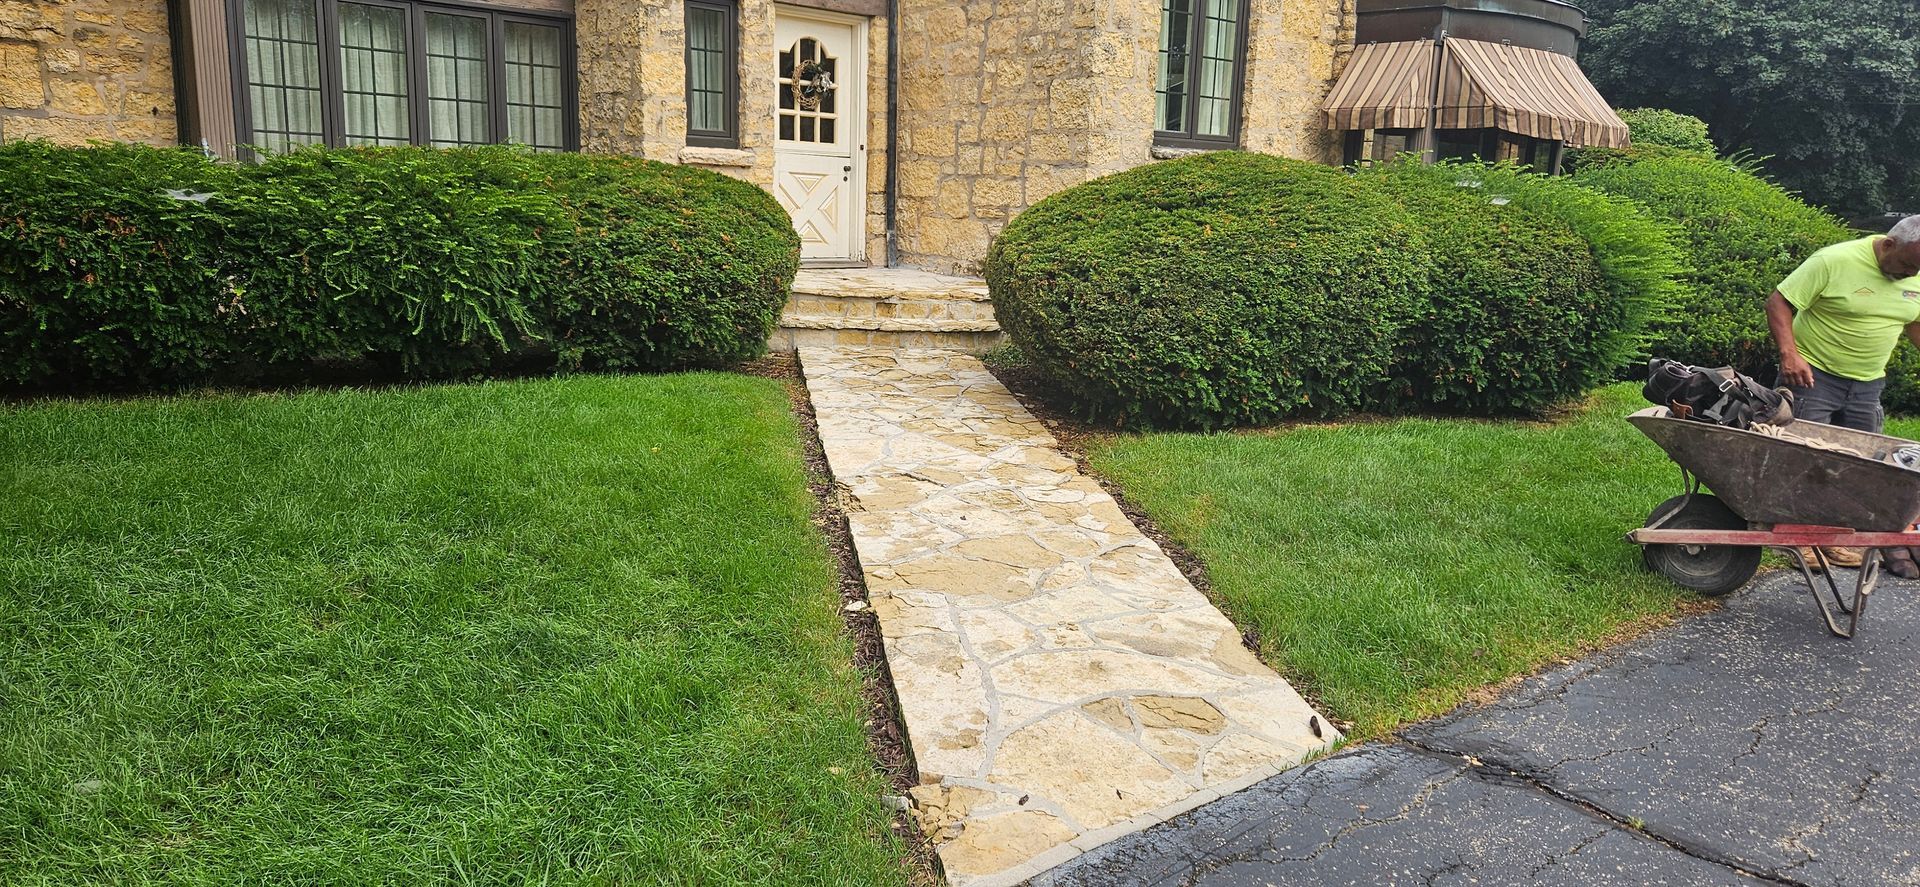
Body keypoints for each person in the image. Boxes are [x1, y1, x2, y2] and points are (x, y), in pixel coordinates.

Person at [1767, 215, 1920, 576]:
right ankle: (1800, 539)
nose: (1911, 274)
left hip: (1868, 384)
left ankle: (1832, 539)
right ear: (1888, 245)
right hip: (1813, 377)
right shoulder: (1834, 260)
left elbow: (1915, 321)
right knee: (1804, 460)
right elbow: (1778, 302)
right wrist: (1790, 354)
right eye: (1907, 265)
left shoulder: (1915, 273)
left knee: (1860, 467)